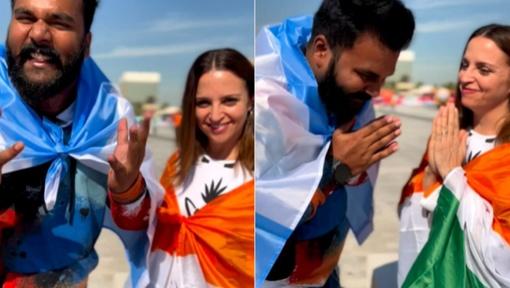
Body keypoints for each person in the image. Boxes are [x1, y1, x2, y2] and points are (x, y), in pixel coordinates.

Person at [0, 0, 162, 286]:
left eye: (58, 22)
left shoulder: (112, 121)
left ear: (86, 43)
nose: (38, 33)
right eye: (25, 17)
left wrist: (127, 190)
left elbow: (143, 227)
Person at [255, 0, 415, 287]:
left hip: (324, 273)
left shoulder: (347, 93)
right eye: (367, 76)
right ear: (320, 50)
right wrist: (332, 166)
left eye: (383, 79)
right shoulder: (267, 109)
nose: (376, 92)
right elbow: (258, 219)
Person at [111, 48, 254, 287]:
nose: (215, 115)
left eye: (229, 100)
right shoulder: (177, 165)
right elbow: (144, 230)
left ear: (250, 100)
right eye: (203, 103)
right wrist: (127, 189)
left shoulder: (265, 178)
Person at [399, 24, 510, 287]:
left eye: (483, 70)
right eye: (464, 64)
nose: (465, 77)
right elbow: (411, 210)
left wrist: (451, 176)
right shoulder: (449, 136)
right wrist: (430, 175)